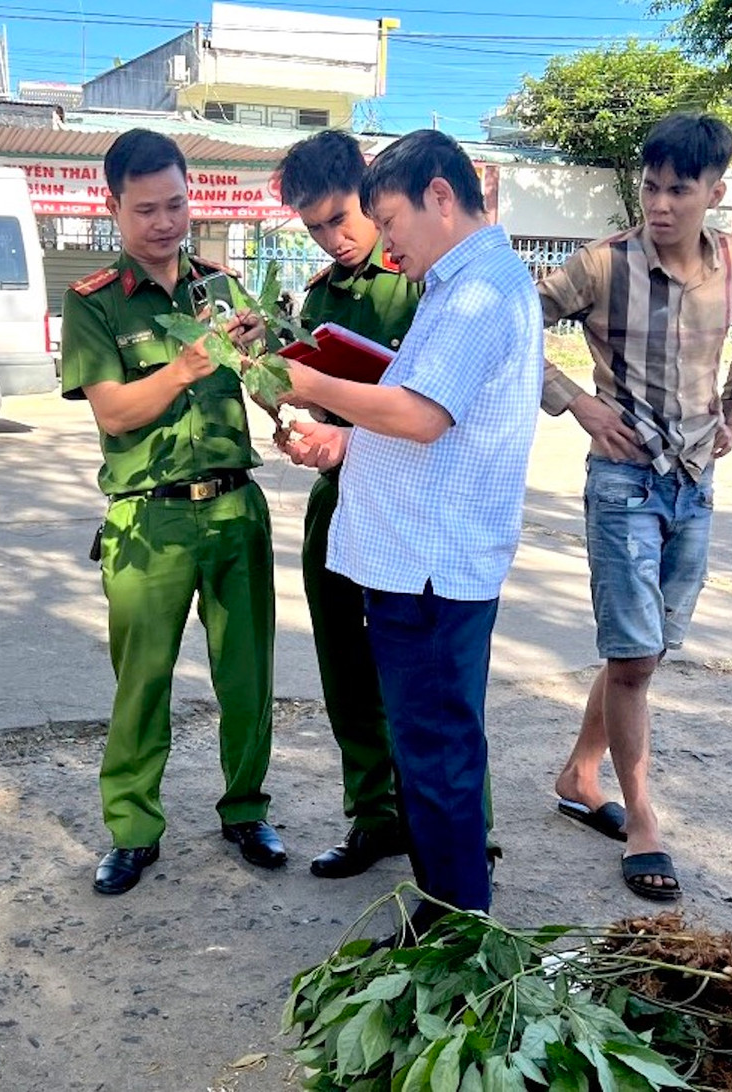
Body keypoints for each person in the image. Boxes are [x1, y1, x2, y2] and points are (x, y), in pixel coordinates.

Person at [280, 130, 541, 935]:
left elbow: (423, 416)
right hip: (416, 556)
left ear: (438, 195)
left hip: (430, 565)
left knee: (436, 757)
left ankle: (456, 925)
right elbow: (434, 417)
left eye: (387, 218)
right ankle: (448, 907)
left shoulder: (476, 293)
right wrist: (349, 437)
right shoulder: (453, 284)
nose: (383, 239)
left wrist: (312, 381)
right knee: (431, 750)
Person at [536, 114, 732, 901]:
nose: (661, 204)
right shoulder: (602, 265)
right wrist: (577, 403)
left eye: (680, 189)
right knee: (634, 657)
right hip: (622, 484)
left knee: (648, 650)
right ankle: (642, 822)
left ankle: (579, 771)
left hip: (696, 485)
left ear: (715, 193)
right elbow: (506, 327)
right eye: (651, 185)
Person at [61, 129, 285, 897]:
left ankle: (247, 809)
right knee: (142, 680)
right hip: (147, 520)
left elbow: (267, 392)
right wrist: (186, 364)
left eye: (178, 205)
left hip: (234, 510)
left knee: (249, 674)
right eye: (147, 209)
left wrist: (267, 358)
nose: (165, 223)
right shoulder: (92, 303)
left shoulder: (222, 290)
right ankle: (132, 828)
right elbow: (116, 411)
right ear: (114, 207)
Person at [273, 129, 420, 878]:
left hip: (412, 508)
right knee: (346, 670)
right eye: (314, 228)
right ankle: (372, 818)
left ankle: (454, 829)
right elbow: (302, 401)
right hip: (340, 499)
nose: (332, 239)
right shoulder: (320, 299)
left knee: (423, 678)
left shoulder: (419, 277)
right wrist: (294, 423)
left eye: (340, 218)